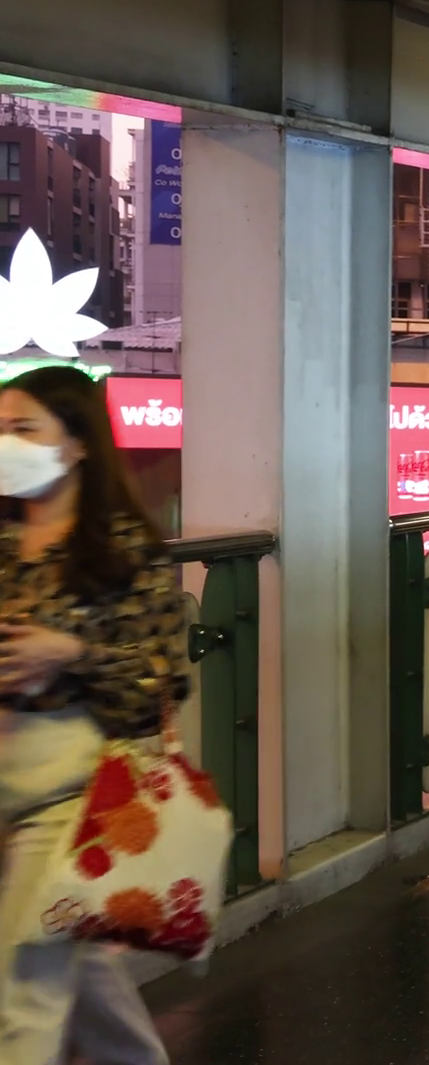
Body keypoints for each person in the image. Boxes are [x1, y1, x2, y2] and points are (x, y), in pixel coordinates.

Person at [0, 366, 184, 1063]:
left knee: (24, 989)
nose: (5, 444)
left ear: (77, 444)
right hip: (6, 797)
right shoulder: (4, 547)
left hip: (72, 798)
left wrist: (72, 653)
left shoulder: (122, 552)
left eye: (24, 429)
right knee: (81, 973)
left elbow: (161, 678)